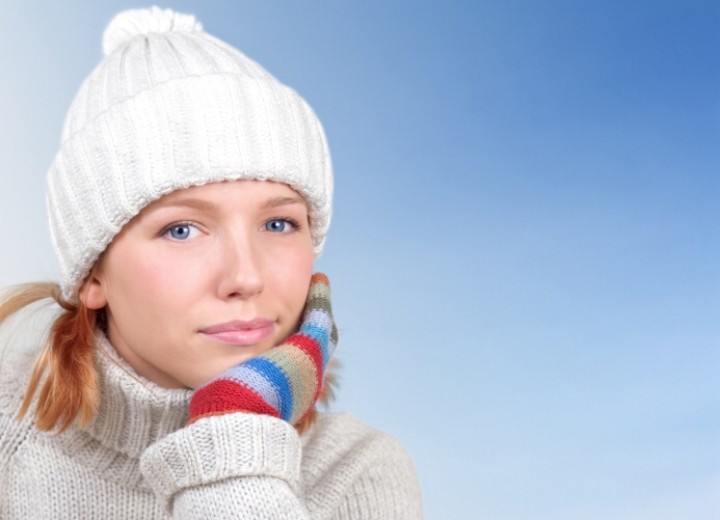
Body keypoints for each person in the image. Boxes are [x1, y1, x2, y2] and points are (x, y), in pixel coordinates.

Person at [0, 7, 422, 519]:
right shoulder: (9, 433)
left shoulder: (358, 473)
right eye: (181, 230)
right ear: (93, 274)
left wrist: (234, 426)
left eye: (278, 224)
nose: (245, 277)